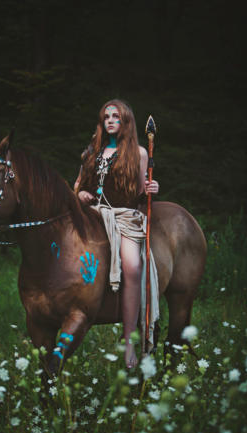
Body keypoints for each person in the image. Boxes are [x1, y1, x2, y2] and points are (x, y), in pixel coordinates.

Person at [74, 99, 159, 368]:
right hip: (93, 214)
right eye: (106, 117)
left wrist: (150, 187)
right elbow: (77, 184)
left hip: (122, 217)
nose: (110, 121)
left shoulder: (139, 152)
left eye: (116, 117)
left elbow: (139, 190)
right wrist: (81, 192)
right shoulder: (91, 152)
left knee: (133, 266)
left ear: (125, 122)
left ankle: (129, 341)